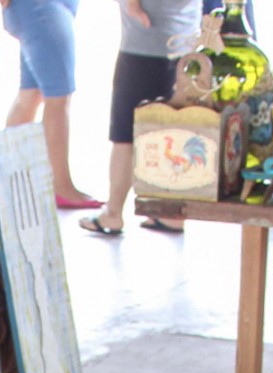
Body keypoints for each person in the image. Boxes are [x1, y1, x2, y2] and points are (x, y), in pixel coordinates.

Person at [82, 0, 203, 236]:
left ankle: (113, 213)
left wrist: (133, 6)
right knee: (175, 130)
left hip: (146, 43)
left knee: (125, 133)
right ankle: (172, 214)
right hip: (185, 41)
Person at [0, 0, 102, 208]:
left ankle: (8, 176)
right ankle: (61, 186)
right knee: (58, 96)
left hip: (45, 8)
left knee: (32, 93)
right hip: (40, 7)